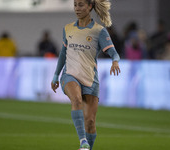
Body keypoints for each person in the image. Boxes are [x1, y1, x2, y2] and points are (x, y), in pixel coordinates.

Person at [51, 0, 121, 150]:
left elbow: (113, 52)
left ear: (90, 6)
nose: (77, 8)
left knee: (90, 122)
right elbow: (63, 53)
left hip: (90, 79)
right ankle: (83, 141)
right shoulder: (68, 29)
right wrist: (56, 75)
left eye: (81, 5)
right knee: (76, 99)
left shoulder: (99, 31)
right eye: (75, 5)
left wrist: (115, 61)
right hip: (69, 75)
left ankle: (87, 147)